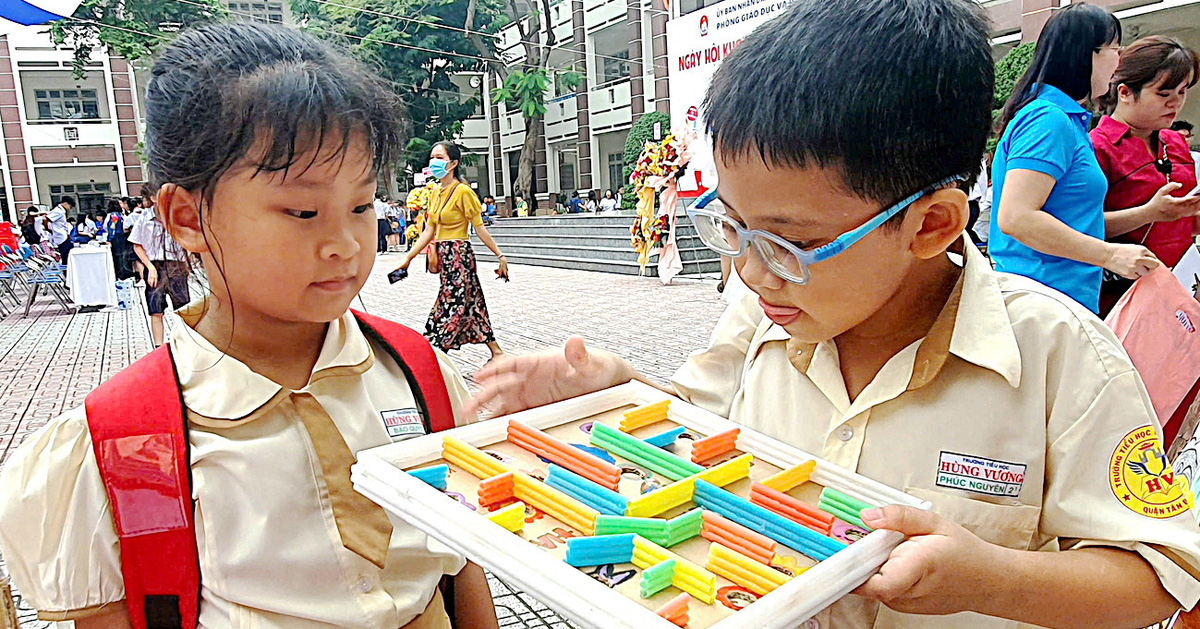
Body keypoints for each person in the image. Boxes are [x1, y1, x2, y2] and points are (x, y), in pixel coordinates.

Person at [466, 0, 1200, 626]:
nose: (751, 271)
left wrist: (989, 577)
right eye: (733, 228)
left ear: (933, 225)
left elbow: (1158, 573)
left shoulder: (1059, 357)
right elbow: (697, 429)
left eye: (792, 244)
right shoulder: (763, 315)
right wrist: (619, 389)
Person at [0, 22, 498, 629]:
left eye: (362, 205)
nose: (344, 243)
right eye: (303, 210)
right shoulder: (118, 443)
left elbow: (461, 564)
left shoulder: (417, 373)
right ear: (186, 217)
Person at [988, 3, 1150, 314]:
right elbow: (1016, 217)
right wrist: (1108, 255)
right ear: (1088, 53)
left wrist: (1150, 212)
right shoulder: (1048, 120)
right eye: (1116, 49)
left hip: (1058, 301)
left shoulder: (1066, 120)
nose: (1119, 60)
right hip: (1043, 301)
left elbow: (1076, 222)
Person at [1092, 36, 1200, 315]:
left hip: (1180, 286)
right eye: (1163, 94)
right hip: (1119, 297)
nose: (1175, 103)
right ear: (1125, 92)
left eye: (1183, 91)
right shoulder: (1096, 147)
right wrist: (1149, 213)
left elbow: (1186, 221)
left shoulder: (1175, 142)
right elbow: (1075, 225)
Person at [396, 142, 510, 360]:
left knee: (454, 300)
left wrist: (500, 256)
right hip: (444, 254)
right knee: (471, 301)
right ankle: (496, 352)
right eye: (432, 157)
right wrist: (408, 258)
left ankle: (436, 350)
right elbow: (429, 230)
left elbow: (479, 228)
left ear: (454, 163)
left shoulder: (463, 192)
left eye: (439, 157)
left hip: (459, 253)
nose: (434, 162)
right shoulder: (435, 193)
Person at [130, 184, 191, 347]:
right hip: (155, 266)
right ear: (153, 198)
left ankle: (186, 344)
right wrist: (149, 267)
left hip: (176, 265)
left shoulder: (176, 215)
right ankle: (158, 347)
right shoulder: (145, 217)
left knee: (184, 309)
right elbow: (137, 245)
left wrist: (187, 263)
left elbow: (187, 241)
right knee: (156, 309)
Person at [42, 196, 74, 261]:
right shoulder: (59, 211)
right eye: (70, 206)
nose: (69, 209)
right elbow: (46, 218)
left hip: (62, 235)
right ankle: (65, 270)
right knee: (66, 256)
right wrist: (47, 228)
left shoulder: (60, 210)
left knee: (68, 254)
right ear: (66, 204)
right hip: (61, 236)